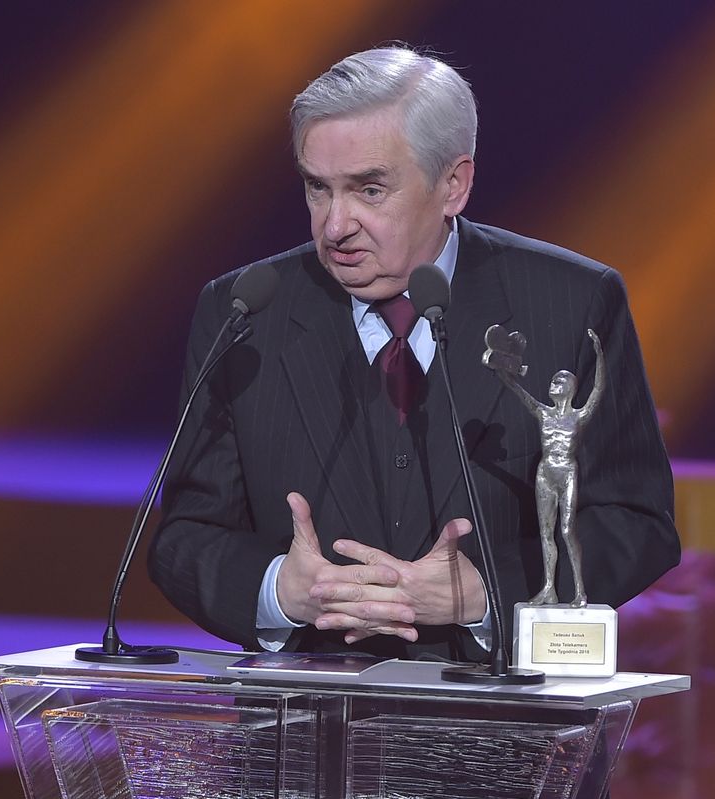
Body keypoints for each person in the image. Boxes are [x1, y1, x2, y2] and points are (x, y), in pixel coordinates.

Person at [148, 46, 680, 663]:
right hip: (304, 704)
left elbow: (636, 520)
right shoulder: (244, 311)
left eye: (369, 189)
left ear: (454, 184)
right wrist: (279, 589)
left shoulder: (573, 302)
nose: (335, 226)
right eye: (318, 188)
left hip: (501, 709)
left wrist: (485, 590)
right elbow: (185, 533)